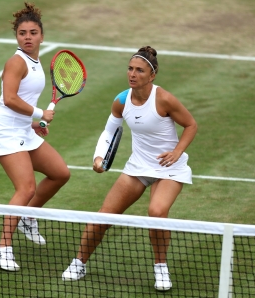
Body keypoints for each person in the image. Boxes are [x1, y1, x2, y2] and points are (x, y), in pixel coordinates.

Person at [61, 46, 197, 291]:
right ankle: (79, 262)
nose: (133, 74)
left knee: (157, 212)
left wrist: (177, 152)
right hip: (138, 166)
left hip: (169, 168)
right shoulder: (122, 100)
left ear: (152, 75)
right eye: (130, 68)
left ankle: (161, 268)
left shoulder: (164, 99)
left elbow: (191, 125)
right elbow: (109, 130)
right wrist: (98, 157)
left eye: (139, 70)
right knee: (103, 217)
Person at [0, 2, 70, 272]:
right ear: (17, 36)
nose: (28, 37)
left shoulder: (35, 61)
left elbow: (22, 99)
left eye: (33, 32)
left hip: (22, 129)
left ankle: (27, 216)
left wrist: (34, 124)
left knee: (60, 173)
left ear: (42, 35)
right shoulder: (16, 62)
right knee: (26, 189)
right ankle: (2, 249)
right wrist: (39, 112)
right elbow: (9, 99)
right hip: (5, 132)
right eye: (23, 33)